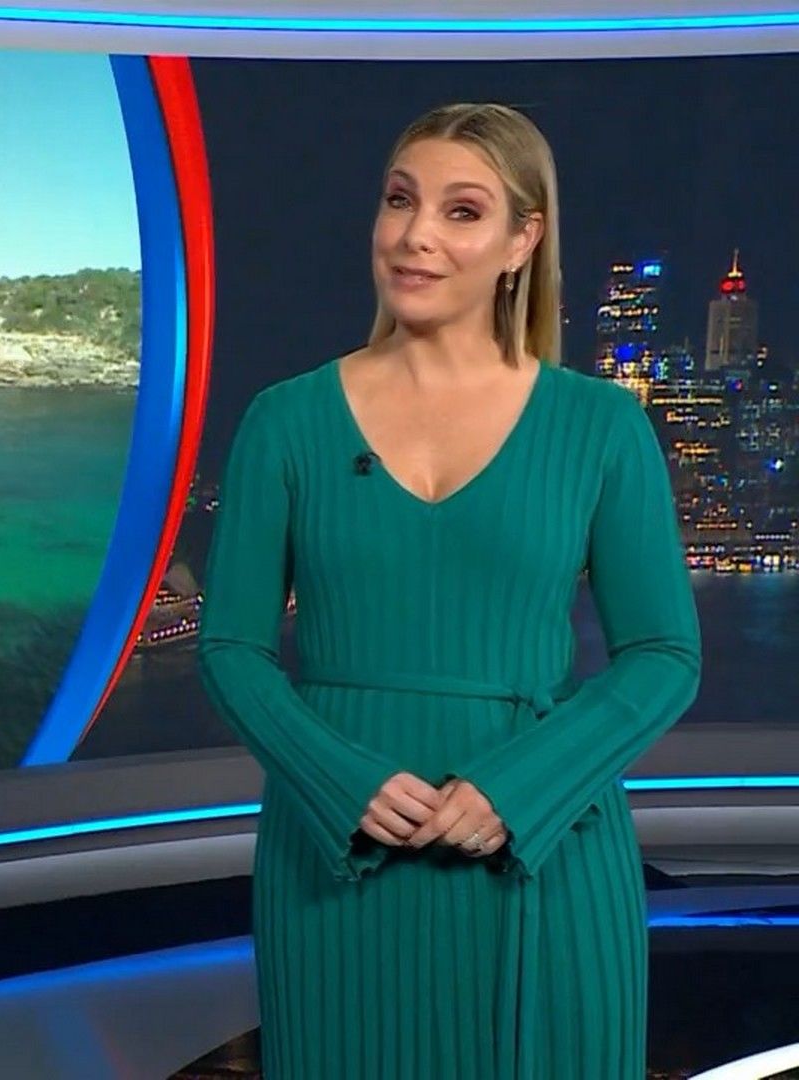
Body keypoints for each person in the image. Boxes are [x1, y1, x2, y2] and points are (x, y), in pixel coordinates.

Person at [196, 102, 701, 1078]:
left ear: (522, 241)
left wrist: (520, 789)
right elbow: (231, 649)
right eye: (400, 200)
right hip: (337, 861)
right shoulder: (284, 422)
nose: (414, 234)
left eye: (461, 211)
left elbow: (664, 656)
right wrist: (340, 782)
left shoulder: (601, 427)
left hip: (545, 851)